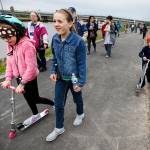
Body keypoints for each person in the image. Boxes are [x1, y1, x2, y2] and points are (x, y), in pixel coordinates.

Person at [0, 15, 54, 125]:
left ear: (17, 32)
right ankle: (35, 114)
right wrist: (8, 79)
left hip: (29, 78)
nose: (7, 40)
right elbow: (10, 63)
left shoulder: (27, 45)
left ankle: (53, 103)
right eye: (4, 38)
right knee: (28, 99)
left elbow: (32, 68)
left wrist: (23, 83)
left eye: (9, 37)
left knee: (35, 98)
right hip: (20, 78)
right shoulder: (11, 45)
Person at [46, 9, 87, 142]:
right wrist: (52, 71)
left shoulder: (78, 41)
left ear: (70, 23)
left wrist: (80, 83)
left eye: (60, 21)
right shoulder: (55, 39)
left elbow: (82, 64)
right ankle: (59, 128)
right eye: (54, 21)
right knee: (58, 103)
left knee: (77, 99)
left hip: (74, 79)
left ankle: (80, 114)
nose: (56, 24)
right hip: (60, 78)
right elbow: (55, 58)